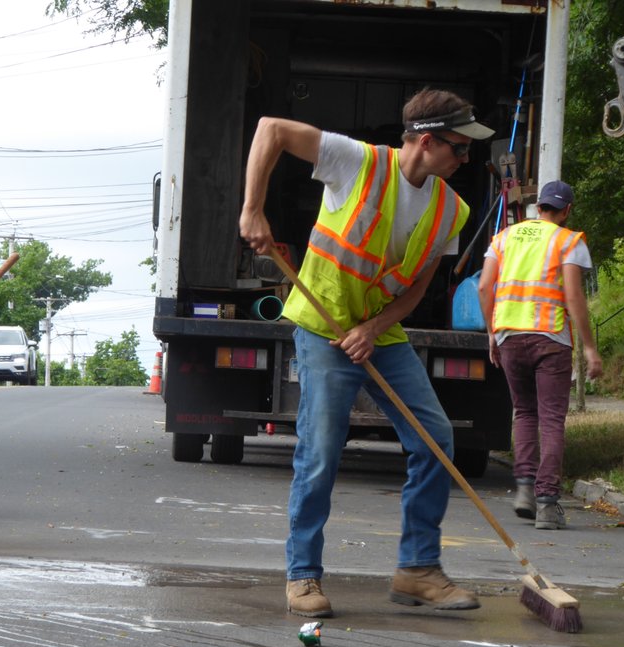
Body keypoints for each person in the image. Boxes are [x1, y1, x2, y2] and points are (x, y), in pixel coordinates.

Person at [239, 89, 493, 617]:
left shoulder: (452, 208)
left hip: (380, 333)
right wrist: (253, 210)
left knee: (436, 440)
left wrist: (375, 328)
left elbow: (417, 289)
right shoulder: (357, 161)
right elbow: (271, 129)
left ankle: (417, 570)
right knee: (321, 451)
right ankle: (303, 576)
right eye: (459, 148)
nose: (466, 159)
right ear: (427, 141)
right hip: (323, 326)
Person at [478, 180, 602, 530]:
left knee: (525, 413)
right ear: (566, 211)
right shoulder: (569, 241)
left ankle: (524, 490)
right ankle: (547, 503)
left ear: (539, 206)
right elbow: (575, 298)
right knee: (550, 419)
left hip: (510, 337)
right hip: (551, 340)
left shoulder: (503, 238)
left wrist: (492, 333)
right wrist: (590, 348)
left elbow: (485, 286)